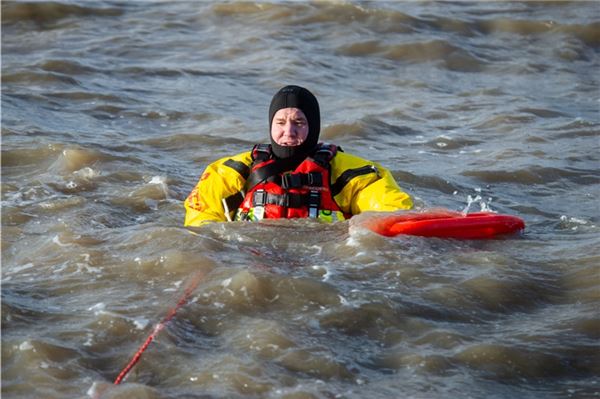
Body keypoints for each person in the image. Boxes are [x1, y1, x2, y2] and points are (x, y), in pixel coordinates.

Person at [184, 85, 413, 227]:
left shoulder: (352, 173)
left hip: (323, 263)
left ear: (313, 126)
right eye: (280, 123)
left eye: (299, 123)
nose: (288, 132)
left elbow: (391, 210)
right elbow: (201, 217)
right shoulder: (231, 170)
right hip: (252, 255)